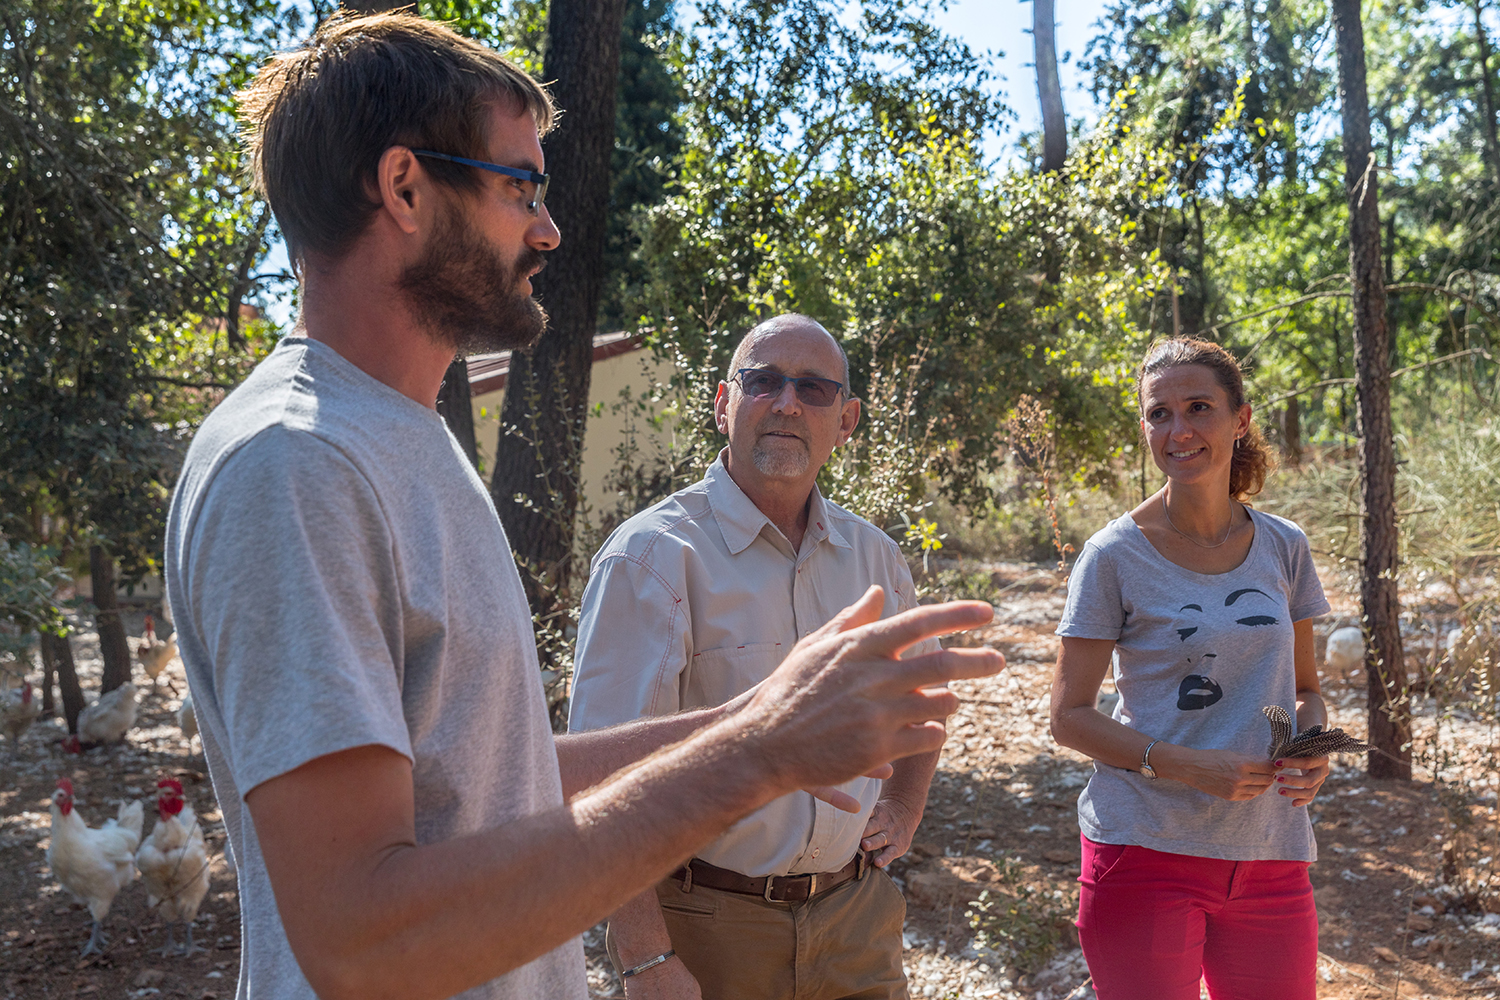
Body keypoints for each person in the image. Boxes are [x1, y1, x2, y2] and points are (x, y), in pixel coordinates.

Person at [163, 14, 1003, 1000]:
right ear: (403, 187)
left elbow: (490, 783)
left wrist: (752, 718)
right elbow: (358, 937)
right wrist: (752, 753)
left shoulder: (401, 439)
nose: (548, 227)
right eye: (521, 185)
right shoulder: (296, 464)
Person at [569, 314, 943, 1000]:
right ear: (723, 404)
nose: (787, 403)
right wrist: (646, 957)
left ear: (847, 420)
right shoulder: (652, 558)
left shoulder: (874, 559)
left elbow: (924, 694)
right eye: (763, 382)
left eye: (814, 389)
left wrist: (905, 802)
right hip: (707, 925)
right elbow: (601, 781)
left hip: (855, 921)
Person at [1048, 337, 1332, 1000]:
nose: (1178, 430)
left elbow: (1309, 691)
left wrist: (1313, 747)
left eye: (1198, 407)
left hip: (1271, 853)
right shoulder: (1112, 556)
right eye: (1158, 414)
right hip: (1145, 853)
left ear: (1241, 419)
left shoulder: (1285, 547)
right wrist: (1183, 764)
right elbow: (1068, 716)